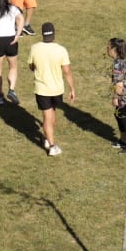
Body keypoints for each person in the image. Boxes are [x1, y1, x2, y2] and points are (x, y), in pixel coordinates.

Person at [28, 22, 75, 156]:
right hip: (57, 89)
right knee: (50, 115)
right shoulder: (61, 50)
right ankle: (51, 145)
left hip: (42, 89)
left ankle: (49, 141)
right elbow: (67, 71)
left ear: (43, 34)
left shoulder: (34, 48)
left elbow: (31, 67)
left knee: (48, 116)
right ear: (54, 34)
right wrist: (72, 89)